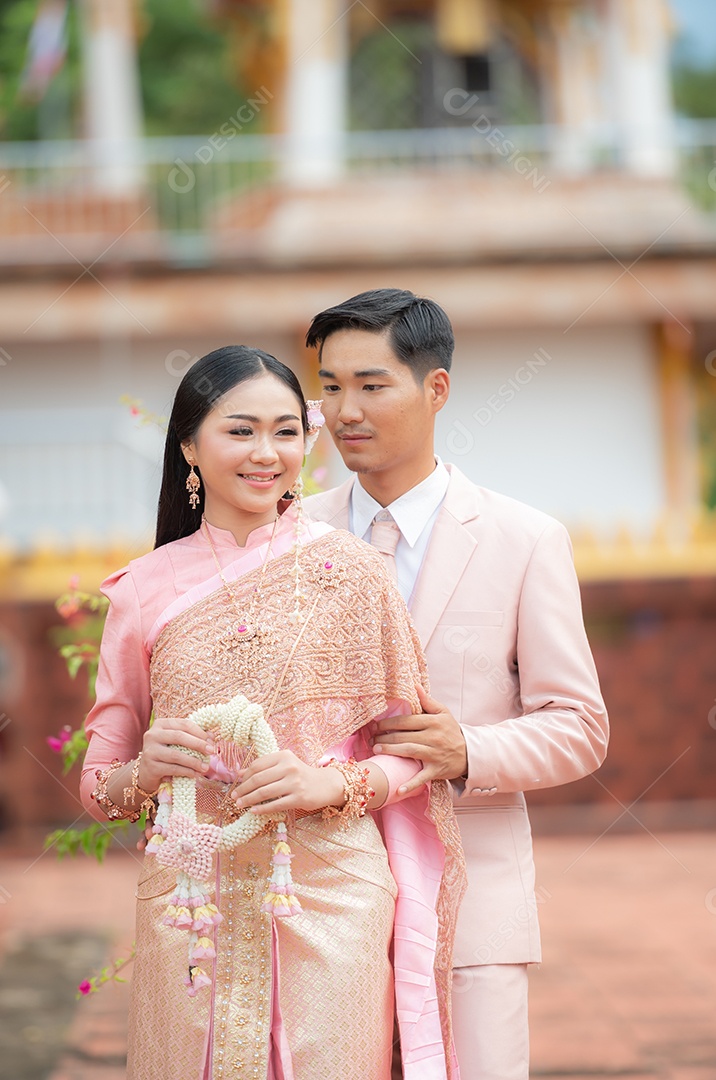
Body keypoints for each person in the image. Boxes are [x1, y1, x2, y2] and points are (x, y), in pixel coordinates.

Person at [80, 345, 466, 1080]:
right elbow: (99, 782)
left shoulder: (354, 572)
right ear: (190, 445)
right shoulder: (142, 590)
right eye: (241, 431)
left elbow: (415, 748)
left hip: (330, 893)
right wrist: (143, 774)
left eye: (287, 431)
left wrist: (334, 786)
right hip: (194, 904)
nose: (268, 453)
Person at [303, 289, 609, 1080]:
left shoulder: (525, 540)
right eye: (330, 387)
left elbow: (579, 724)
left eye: (372, 385)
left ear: (435, 389)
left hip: (472, 913)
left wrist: (466, 748)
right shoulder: (287, 536)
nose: (345, 411)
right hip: (316, 906)